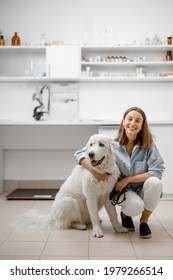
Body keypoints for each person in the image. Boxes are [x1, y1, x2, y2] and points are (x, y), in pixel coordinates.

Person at [74, 107, 165, 239]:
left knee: (155, 183)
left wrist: (128, 179)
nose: (132, 123)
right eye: (129, 119)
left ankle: (144, 222)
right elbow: (81, 153)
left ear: (142, 126)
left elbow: (156, 171)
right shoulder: (111, 143)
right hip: (123, 190)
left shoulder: (148, 145)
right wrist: (94, 172)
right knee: (135, 207)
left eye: (137, 121)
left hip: (141, 187)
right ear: (123, 122)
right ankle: (125, 215)